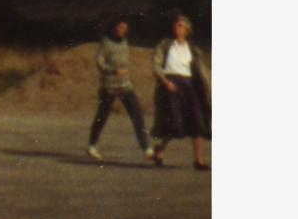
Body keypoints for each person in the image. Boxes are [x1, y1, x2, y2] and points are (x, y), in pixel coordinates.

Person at [86, 18, 153, 163]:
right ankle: (92, 145)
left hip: (125, 85)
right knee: (102, 116)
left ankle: (146, 148)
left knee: (137, 115)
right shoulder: (106, 42)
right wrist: (113, 71)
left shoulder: (124, 42)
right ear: (114, 28)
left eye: (125, 28)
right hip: (109, 86)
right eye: (121, 27)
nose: (123, 30)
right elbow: (99, 62)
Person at [150, 14, 211, 169]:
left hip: (188, 86)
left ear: (187, 31)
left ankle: (199, 160)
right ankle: (160, 149)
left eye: (181, 26)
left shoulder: (192, 49)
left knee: (197, 122)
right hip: (171, 84)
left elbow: (201, 70)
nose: (177, 27)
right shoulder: (165, 45)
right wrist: (165, 82)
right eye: (176, 25)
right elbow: (157, 66)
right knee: (175, 123)